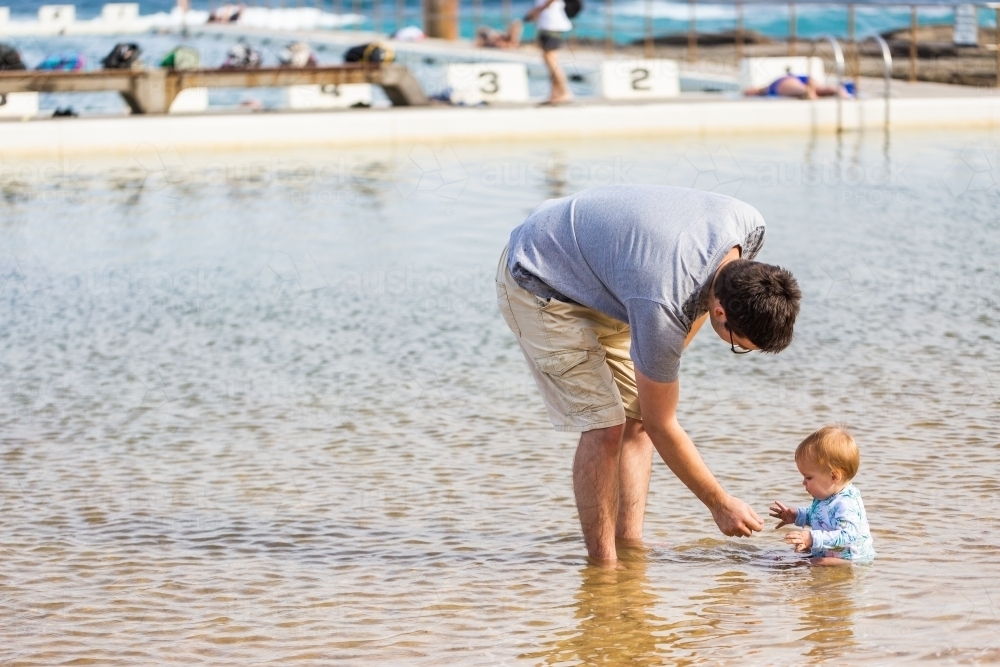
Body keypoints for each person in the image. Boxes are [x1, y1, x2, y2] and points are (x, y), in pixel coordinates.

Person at [496, 185, 802, 565]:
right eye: (737, 344)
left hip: (602, 271)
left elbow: (691, 314)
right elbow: (664, 425)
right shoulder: (662, 304)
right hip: (539, 275)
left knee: (637, 414)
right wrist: (719, 503)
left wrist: (658, 368)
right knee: (605, 426)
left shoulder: (749, 226)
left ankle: (629, 545)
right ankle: (603, 568)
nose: (734, 348)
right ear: (722, 313)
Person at [770, 426, 876, 565]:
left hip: (851, 559)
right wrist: (797, 516)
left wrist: (812, 538)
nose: (803, 482)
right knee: (784, 557)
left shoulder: (846, 502)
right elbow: (820, 517)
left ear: (834, 476)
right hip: (832, 551)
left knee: (807, 564)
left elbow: (848, 536)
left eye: (808, 478)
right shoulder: (828, 495)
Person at [523, 0, 573, 104]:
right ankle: (555, 93)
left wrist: (537, 11)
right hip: (548, 24)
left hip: (551, 25)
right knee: (549, 60)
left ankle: (564, 92)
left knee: (551, 60)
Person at [745, 70, 855, 99]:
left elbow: (749, 92)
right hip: (801, 78)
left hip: (782, 82)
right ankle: (840, 92)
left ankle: (808, 91)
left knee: (803, 90)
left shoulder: (769, 88)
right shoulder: (767, 89)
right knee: (820, 89)